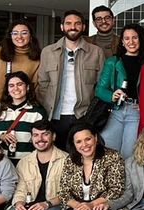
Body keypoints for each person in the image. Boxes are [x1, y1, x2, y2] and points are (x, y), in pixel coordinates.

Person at [54, 124, 126, 210]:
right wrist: (78, 206)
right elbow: (63, 192)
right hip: (76, 208)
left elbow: (116, 189)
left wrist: (91, 205)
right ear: (74, 144)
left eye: (88, 139)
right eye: (79, 142)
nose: (84, 145)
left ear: (96, 138)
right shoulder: (71, 160)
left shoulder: (112, 156)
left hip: (103, 208)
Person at [37, 12, 104, 146]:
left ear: (83, 27)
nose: (72, 27)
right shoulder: (48, 52)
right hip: (55, 116)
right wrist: (46, 107)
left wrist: (93, 113)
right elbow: (42, 83)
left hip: (84, 115)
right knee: (58, 157)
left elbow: (101, 85)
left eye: (77, 23)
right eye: (68, 23)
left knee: (82, 155)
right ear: (62, 27)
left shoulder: (96, 52)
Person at [96, 25, 144, 159]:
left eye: (134, 38)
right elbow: (99, 89)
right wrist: (111, 95)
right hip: (115, 111)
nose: (131, 42)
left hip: (136, 113)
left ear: (140, 39)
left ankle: (127, 181)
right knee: (107, 153)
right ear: (122, 42)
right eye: (127, 38)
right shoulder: (113, 62)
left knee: (129, 155)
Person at [0, 20, 41, 125]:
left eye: (24, 33)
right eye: (15, 33)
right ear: (10, 36)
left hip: (22, 112)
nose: (19, 36)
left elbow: (35, 87)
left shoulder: (37, 58)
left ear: (31, 36)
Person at [0, 71, 50, 163]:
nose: (16, 88)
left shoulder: (38, 112)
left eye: (19, 84)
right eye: (11, 85)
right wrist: (0, 136)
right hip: (0, 163)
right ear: (8, 90)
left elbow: (45, 138)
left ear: (28, 87)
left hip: (28, 163)